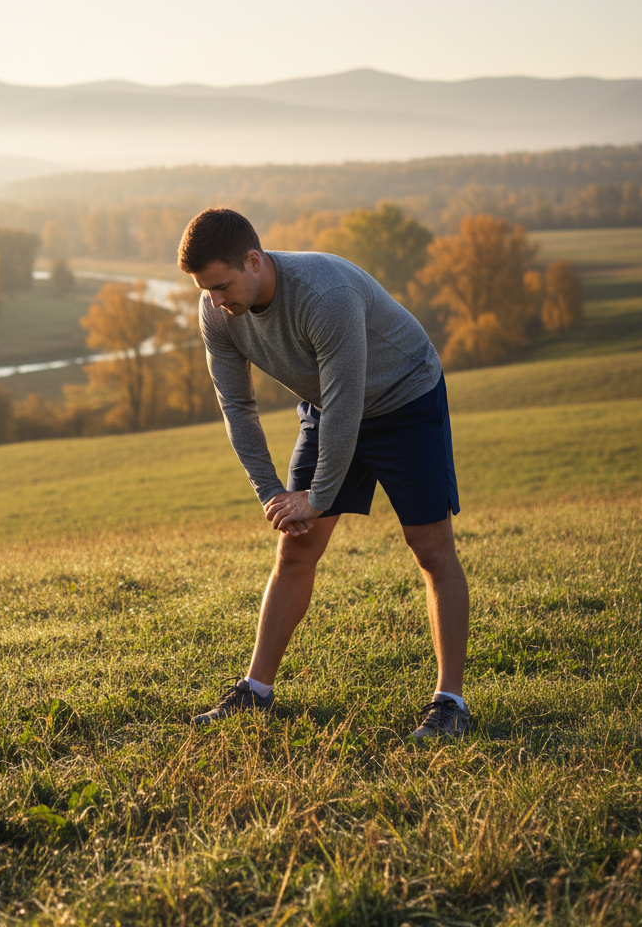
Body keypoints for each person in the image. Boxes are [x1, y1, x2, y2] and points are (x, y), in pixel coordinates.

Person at [179, 208, 471, 740]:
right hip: (327, 407)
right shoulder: (216, 311)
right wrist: (273, 493)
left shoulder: (323, 294)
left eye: (221, 286)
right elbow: (236, 407)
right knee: (296, 546)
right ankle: (256, 691)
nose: (215, 301)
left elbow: (346, 401)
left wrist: (318, 495)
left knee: (430, 548)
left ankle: (450, 703)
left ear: (253, 259)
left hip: (404, 399)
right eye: (206, 290)